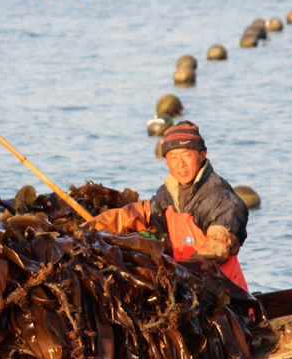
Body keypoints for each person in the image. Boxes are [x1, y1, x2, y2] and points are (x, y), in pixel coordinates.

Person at [93, 121, 248, 290]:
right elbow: (141, 213)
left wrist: (176, 272)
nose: (180, 163)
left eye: (187, 155)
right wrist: (93, 227)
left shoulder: (222, 200)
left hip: (225, 298)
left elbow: (217, 249)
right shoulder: (169, 194)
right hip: (187, 288)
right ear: (166, 160)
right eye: (173, 156)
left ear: (202, 155)